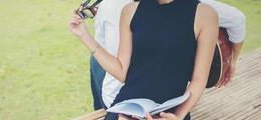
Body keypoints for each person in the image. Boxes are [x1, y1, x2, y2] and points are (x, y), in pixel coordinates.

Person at [69, 0, 218, 120]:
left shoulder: (205, 14)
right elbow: (123, 71)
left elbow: (199, 80)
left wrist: (179, 116)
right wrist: (84, 36)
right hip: (125, 112)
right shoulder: (130, 11)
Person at [90, 0, 246, 109]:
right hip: (134, 100)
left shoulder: (111, 5)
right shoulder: (121, 8)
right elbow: (237, 20)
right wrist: (231, 61)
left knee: (97, 60)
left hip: (125, 96)